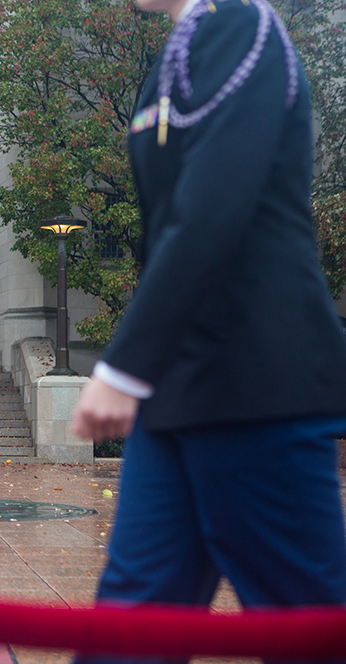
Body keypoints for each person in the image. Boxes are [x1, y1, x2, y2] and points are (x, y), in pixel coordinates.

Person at [71, 0, 346, 653]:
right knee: (127, 630)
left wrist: (122, 365)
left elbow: (212, 209)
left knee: (307, 629)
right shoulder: (176, 50)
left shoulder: (242, 26)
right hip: (177, 393)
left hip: (255, 384)